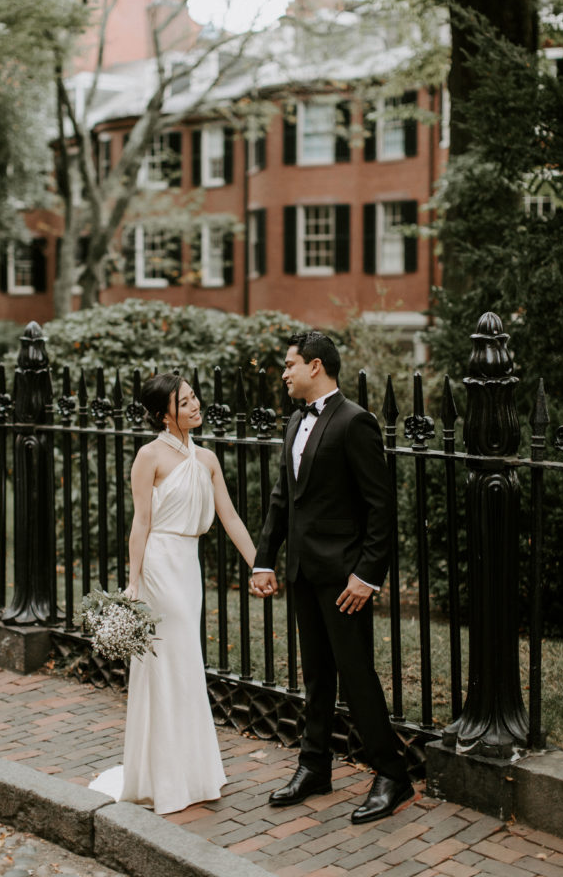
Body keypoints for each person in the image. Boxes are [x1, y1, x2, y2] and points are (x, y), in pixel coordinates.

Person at [250, 331, 413, 824]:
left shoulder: (355, 422)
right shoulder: (296, 420)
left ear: (316, 366)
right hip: (303, 571)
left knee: (356, 675)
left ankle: (392, 774)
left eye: (289, 364)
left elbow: (380, 508)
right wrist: (265, 558)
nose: (284, 372)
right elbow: (284, 497)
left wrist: (367, 575)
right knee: (317, 676)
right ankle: (314, 765)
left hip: (345, 579)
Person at [89, 373, 256, 815]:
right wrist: (133, 580)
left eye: (195, 396)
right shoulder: (149, 456)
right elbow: (140, 522)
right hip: (160, 566)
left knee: (184, 664)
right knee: (171, 663)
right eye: (185, 402)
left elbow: (231, 518)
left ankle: (191, 771)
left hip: (188, 565)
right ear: (165, 413)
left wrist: (259, 563)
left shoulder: (208, 459)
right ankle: (167, 778)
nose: (196, 405)